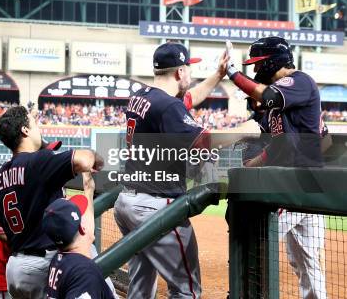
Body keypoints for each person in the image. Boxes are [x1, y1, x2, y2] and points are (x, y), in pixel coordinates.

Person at [113, 42, 260, 298]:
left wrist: (218, 74)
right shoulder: (169, 107)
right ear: (180, 72)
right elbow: (203, 140)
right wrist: (248, 129)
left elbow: (189, 99)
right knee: (186, 290)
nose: (190, 76)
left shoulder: (142, 96)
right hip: (154, 207)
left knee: (141, 285)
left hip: (126, 203)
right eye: (188, 70)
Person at [227, 36, 328, 298]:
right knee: (303, 261)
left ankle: (246, 294)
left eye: (258, 64)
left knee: (255, 239)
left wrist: (233, 74)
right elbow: (278, 146)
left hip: (297, 183)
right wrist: (253, 163)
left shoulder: (299, 80)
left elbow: (268, 95)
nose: (256, 71)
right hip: (300, 181)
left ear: (273, 61)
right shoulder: (277, 110)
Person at [0, 106, 103, 298]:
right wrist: (96, 157)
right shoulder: (36, 161)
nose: (39, 127)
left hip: (15, 266)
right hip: (42, 265)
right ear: (25, 130)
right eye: (34, 123)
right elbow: (84, 161)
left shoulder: (0, 175)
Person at [44, 173, 114, 299]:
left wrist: (89, 188)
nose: (86, 218)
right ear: (82, 228)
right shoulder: (84, 273)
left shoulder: (58, 261)